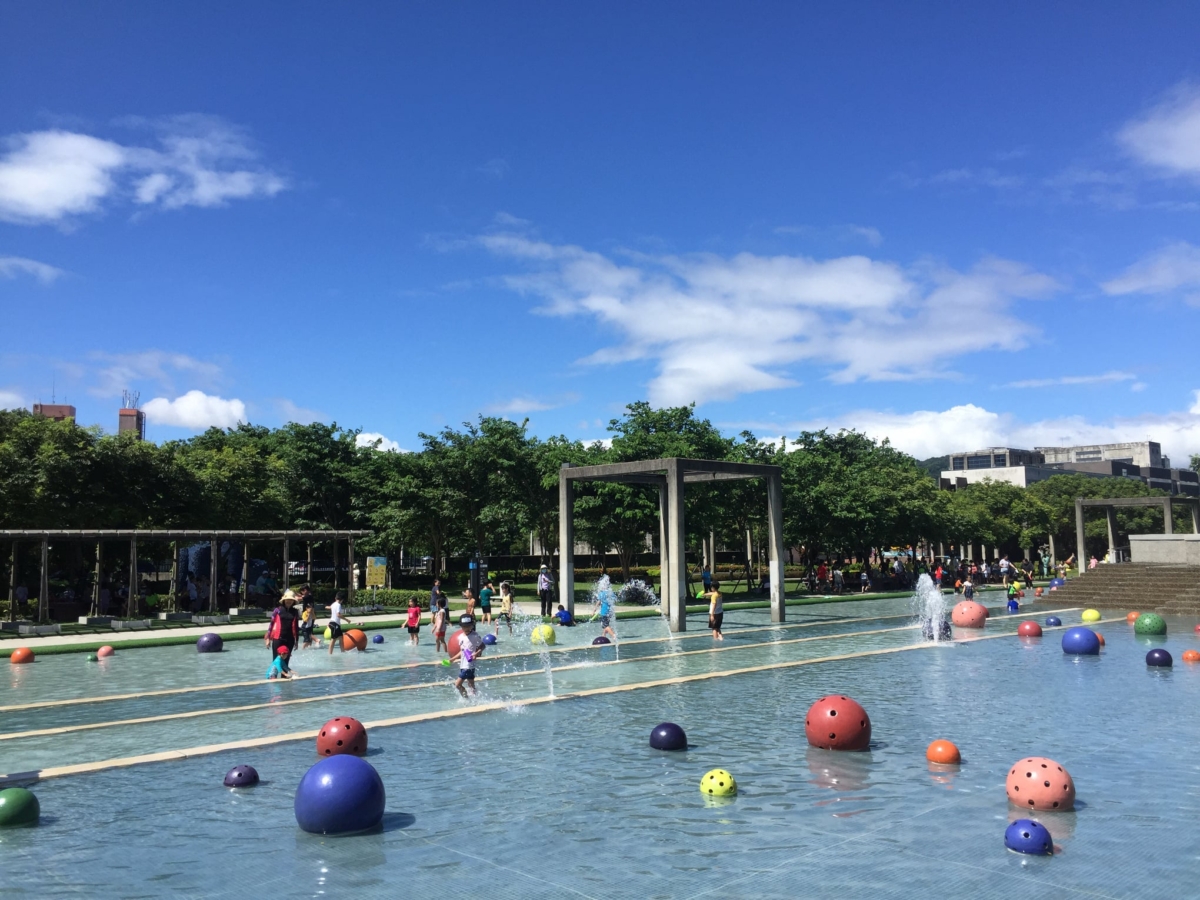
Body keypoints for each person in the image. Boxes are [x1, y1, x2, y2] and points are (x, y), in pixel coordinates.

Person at [450, 614, 485, 698]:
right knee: (471, 685)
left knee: (457, 684)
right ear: (461, 626)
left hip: (468, 666)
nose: (466, 628)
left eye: (468, 626)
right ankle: (476, 700)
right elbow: (463, 651)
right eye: (464, 626)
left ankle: (466, 699)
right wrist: (452, 659)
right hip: (464, 664)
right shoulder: (461, 637)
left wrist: (476, 653)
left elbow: (482, 645)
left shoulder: (475, 635)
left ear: (472, 625)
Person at [265, 589, 300, 660]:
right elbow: (271, 624)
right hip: (278, 638)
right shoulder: (277, 610)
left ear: (293, 601)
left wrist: (296, 641)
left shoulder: (295, 611)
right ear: (284, 600)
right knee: (276, 660)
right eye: (287, 599)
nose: (289, 601)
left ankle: (284, 671)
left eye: (291, 599)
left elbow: (296, 627)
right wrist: (268, 638)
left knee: (286, 661)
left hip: (290, 639)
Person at [327, 591, 353, 655]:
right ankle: (330, 654)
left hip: (335, 624)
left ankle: (343, 652)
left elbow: (330, 608)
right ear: (342, 600)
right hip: (334, 623)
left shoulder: (333, 604)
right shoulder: (338, 605)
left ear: (336, 598)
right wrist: (347, 620)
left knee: (341, 638)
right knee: (333, 639)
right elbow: (338, 615)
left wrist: (326, 607)